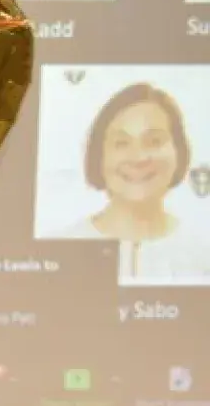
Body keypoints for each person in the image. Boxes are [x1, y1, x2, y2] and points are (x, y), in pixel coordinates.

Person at [50, 82, 210, 284]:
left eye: (154, 141)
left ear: (179, 151)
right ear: (99, 156)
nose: (138, 157)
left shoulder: (203, 256)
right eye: (121, 143)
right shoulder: (59, 249)